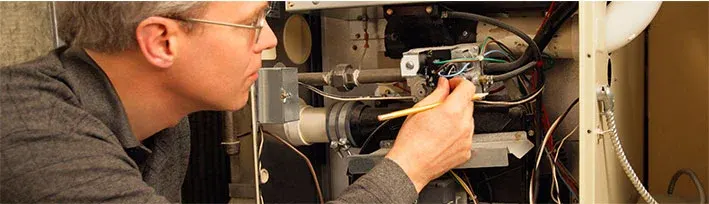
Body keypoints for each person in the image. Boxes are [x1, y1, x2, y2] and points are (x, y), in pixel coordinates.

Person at [0, 2, 476, 203]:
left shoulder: (167, 124)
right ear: (162, 42)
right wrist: (410, 166)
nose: (269, 40)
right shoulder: (31, 139)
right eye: (251, 22)